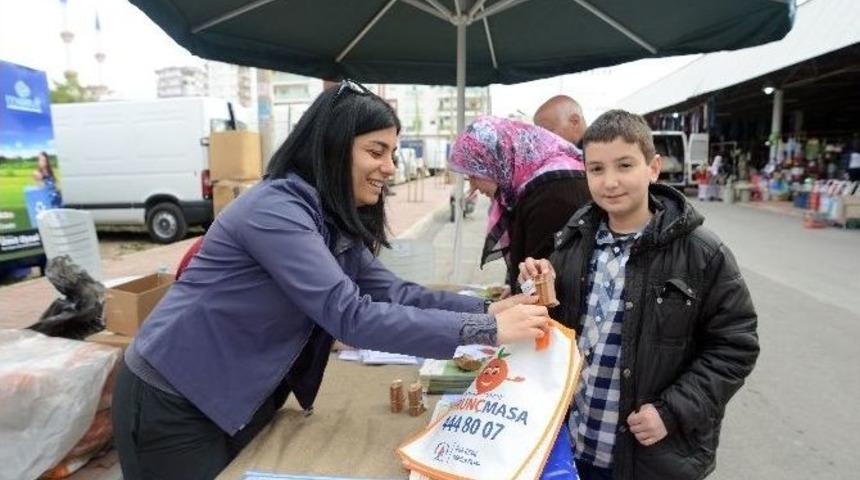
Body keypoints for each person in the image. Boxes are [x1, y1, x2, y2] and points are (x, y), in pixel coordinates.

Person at [111, 80, 549, 480]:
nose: (391, 167)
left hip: (239, 395)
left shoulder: (328, 217)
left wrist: (486, 310)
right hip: (173, 398)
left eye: (393, 154)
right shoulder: (276, 210)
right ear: (333, 149)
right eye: (376, 152)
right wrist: (487, 331)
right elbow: (350, 315)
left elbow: (393, 292)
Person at [519, 110, 759, 480]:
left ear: (653, 167)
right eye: (596, 169)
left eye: (625, 165)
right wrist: (535, 283)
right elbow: (554, 329)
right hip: (576, 442)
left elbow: (735, 345)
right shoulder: (573, 239)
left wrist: (672, 411)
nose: (610, 182)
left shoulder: (702, 253)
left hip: (650, 457)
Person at [449, 116, 591, 292]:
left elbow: (544, 282)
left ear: (496, 163)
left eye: (474, 175)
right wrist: (516, 287)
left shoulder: (552, 192)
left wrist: (520, 292)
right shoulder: (536, 185)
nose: (473, 188)